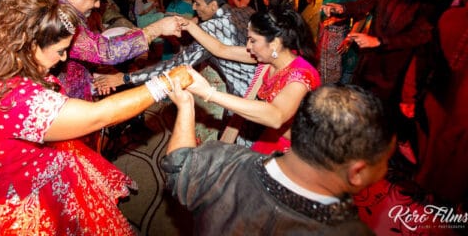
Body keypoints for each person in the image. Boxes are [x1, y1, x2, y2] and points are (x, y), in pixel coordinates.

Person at [0, 0, 193, 235]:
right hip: (18, 195)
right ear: (29, 43)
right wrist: (165, 83)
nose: (63, 59)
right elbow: (99, 116)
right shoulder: (14, 98)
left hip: (26, 163)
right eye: (60, 51)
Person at [162, 80, 396, 236]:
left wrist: (186, 108)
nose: (386, 170)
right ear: (357, 172)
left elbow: (177, 162)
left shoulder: (223, 160)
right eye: (386, 160)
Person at [321, 0, 437, 136]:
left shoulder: (428, 3)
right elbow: (361, 6)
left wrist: (379, 41)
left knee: (377, 126)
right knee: (355, 115)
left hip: (394, 76)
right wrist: (341, 8)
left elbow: (419, 36)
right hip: (367, 68)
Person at [180, 7, 320, 153]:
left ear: (275, 44)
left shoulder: (301, 76)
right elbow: (221, 49)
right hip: (267, 139)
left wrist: (209, 93)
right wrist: (189, 25)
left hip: (291, 154)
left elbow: (276, 116)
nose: (248, 46)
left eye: (253, 40)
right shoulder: (270, 59)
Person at [93, 0, 256, 100]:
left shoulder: (209, 30)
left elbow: (175, 65)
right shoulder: (244, 11)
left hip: (245, 96)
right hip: (263, 85)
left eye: (197, 4)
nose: (193, 7)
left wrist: (125, 78)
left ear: (213, 5)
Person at [54, 0, 184, 101]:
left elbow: (80, 53)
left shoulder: (63, 7)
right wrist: (157, 28)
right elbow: (105, 51)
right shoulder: (58, 17)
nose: (98, 5)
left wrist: (90, 75)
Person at [414, 0, 468, 212]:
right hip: (439, 93)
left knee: (463, 154)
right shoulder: (450, 16)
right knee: (432, 141)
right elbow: (427, 55)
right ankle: (423, 184)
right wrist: (412, 93)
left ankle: (448, 196)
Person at [296, 0, 363, 84]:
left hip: (337, 38)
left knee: (332, 74)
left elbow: (360, 17)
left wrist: (349, 39)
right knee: (321, 69)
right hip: (323, 34)